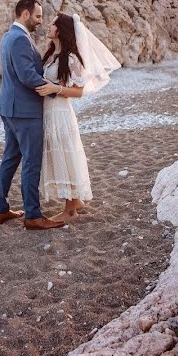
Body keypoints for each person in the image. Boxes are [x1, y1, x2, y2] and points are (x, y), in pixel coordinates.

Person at [35, 13, 121, 222]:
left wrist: (55, 88)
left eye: (53, 23)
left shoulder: (71, 58)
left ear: (61, 30)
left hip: (60, 112)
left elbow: (79, 91)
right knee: (57, 156)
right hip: (47, 111)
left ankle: (70, 210)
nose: (48, 25)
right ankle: (77, 201)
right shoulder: (50, 55)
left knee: (65, 156)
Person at [0, 0, 65, 230]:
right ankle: (33, 215)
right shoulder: (20, 39)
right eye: (37, 16)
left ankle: (1, 210)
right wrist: (56, 91)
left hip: (9, 108)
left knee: (10, 158)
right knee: (31, 162)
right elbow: (26, 75)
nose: (40, 21)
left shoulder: (8, 37)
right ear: (25, 14)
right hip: (24, 111)